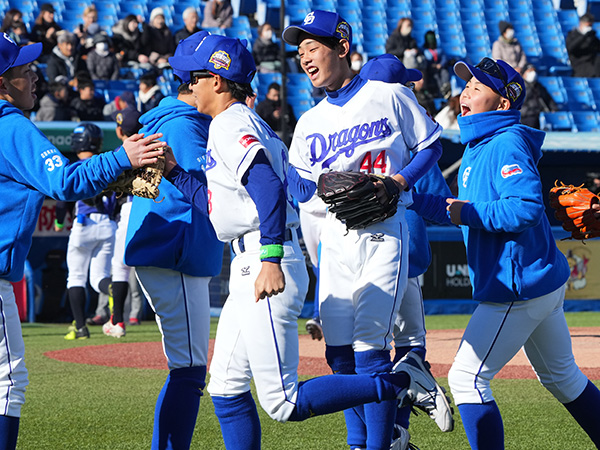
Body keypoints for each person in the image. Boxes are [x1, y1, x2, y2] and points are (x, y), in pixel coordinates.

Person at [168, 33, 449, 450]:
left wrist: (270, 256)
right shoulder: (246, 122)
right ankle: (383, 409)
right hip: (258, 253)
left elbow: (266, 187)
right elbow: (223, 203)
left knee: (283, 402)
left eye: (194, 78)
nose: (187, 86)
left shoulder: (229, 123)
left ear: (219, 81)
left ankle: (401, 380)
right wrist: (172, 173)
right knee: (226, 386)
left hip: (264, 256)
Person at [411, 56, 600, 450]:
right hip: (537, 280)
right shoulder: (479, 146)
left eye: (476, 87)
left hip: (519, 285)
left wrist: (465, 212)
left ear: (502, 104)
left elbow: (525, 208)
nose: (465, 92)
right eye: (465, 85)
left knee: (466, 378)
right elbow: (459, 210)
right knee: (563, 378)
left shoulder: (506, 141)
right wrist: (405, 197)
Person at [281, 11, 451, 450]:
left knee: (370, 348)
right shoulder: (309, 121)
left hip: (384, 230)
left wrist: (398, 182)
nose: (304, 57)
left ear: (342, 47)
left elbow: (431, 146)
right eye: (300, 51)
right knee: (338, 355)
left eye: (312, 47)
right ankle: (367, 435)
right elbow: (303, 189)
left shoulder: (387, 94)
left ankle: (379, 445)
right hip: (336, 236)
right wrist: (298, 174)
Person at [0, 34, 165, 450]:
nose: (35, 77)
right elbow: (64, 182)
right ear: (2, 82)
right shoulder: (9, 124)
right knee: (7, 383)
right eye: (24, 71)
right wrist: (122, 158)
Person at [123, 30, 223, 447]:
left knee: (187, 369)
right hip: (175, 252)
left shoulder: (164, 120)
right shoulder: (184, 125)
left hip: (164, 248)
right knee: (190, 370)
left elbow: (144, 191)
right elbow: (211, 196)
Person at [57, 124, 118, 340]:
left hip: (84, 223)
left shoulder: (75, 166)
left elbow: (62, 199)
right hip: (108, 224)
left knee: (76, 277)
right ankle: (114, 290)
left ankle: (81, 327)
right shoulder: (107, 164)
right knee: (99, 277)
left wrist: (59, 221)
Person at [102, 107, 144, 338]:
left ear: (120, 131)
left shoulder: (121, 151)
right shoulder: (152, 145)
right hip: (157, 209)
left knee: (120, 266)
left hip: (131, 207)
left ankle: (117, 320)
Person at [520, 63, 557, 129]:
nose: (533, 73)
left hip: (536, 115)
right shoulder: (520, 86)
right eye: (530, 71)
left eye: (534, 71)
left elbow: (548, 99)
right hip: (524, 117)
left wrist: (553, 108)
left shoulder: (539, 86)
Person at [566, 13, 600, 78]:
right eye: (588, 26)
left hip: (593, 62)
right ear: (581, 24)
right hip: (580, 63)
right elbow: (571, 48)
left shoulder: (591, 36)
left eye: (591, 26)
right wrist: (584, 36)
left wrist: (593, 38)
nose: (589, 28)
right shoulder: (572, 35)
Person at [422, 30, 450, 98]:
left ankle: (446, 89)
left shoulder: (439, 49)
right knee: (436, 77)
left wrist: (441, 64)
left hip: (440, 67)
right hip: (430, 70)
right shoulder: (424, 50)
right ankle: (440, 92)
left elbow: (444, 58)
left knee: (444, 72)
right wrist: (431, 65)